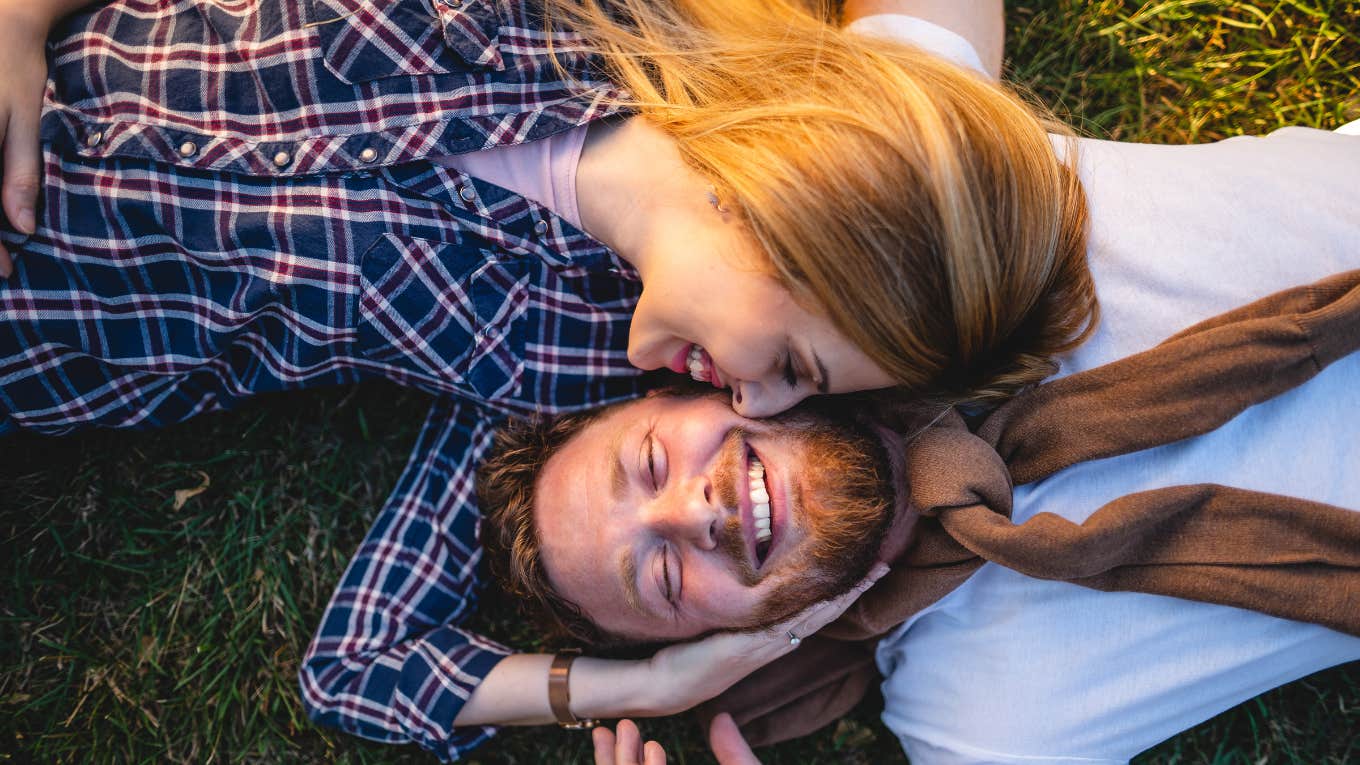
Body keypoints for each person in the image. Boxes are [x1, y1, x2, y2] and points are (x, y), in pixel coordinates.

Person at [474, 368, 1360, 764]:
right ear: (728, 640)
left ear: (694, 382)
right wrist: (640, 691)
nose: (689, 513)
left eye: (654, 462)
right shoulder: (979, 722)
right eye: (663, 579)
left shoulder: (950, 240)